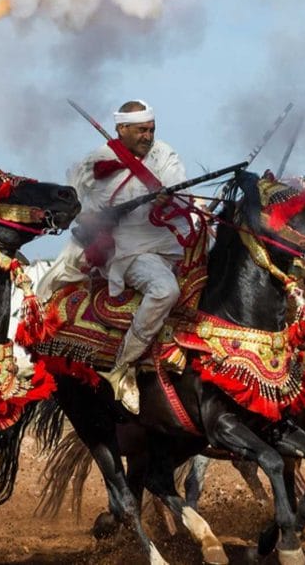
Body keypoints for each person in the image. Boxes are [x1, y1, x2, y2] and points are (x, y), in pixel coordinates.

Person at [41, 100, 188, 414]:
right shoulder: (96, 161)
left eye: (151, 129)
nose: (148, 136)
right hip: (125, 250)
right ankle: (123, 364)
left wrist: (164, 196)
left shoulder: (165, 155)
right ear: (122, 129)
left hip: (169, 244)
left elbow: (178, 191)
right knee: (166, 291)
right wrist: (98, 218)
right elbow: (73, 203)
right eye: (141, 130)